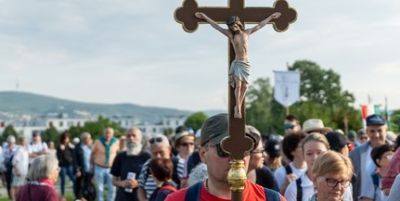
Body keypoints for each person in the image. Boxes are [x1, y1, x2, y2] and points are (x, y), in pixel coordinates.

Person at [165, 113, 285, 201]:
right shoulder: (179, 199)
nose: (237, 156)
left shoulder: (272, 199)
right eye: (226, 148)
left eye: (244, 147)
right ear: (203, 154)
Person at [194, 12, 281, 119]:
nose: (233, 28)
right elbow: (216, 26)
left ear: (238, 23)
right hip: (237, 63)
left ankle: (238, 105)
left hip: (246, 63)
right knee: (238, 86)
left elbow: (260, 25)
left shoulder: (247, 33)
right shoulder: (231, 35)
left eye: (234, 25)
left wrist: (271, 17)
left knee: (245, 86)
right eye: (231, 26)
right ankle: (238, 109)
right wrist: (205, 17)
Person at [349, 114, 387, 200]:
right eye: (372, 131)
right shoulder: (355, 154)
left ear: (386, 130)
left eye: (380, 130)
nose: (376, 135)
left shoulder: (395, 152)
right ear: (367, 132)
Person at [284, 133, 330, 201]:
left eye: (319, 152)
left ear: (328, 153)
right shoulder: (294, 189)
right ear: (303, 155)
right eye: (309, 154)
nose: (315, 158)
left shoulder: (340, 185)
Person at [111, 128, 151, 201]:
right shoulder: (120, 156)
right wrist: (122, 183)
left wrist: (138, 183)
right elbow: (114, 180)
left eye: (134, 136)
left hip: (141, 197)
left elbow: (152, 180)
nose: (131, 138)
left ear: (140, 138)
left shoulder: (147, 157)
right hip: (122, 197)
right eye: (128, 136)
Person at [137, 134, 181, 201]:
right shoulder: (147, 165)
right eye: (154, 153)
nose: (158, 156)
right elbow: (140, 187)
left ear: (169, 149)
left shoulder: (179, 163)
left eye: (161, 152)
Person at [91, 127, 120, 201]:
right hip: (99, 167)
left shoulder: (116, 142)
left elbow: (119, 154)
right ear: (104, 133)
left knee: (112, 188)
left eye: (109, 133)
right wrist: (91, 166)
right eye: (106, 133)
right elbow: (92, 153)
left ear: (112, 134)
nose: (108, 134)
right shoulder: (98, 141)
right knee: (100, 188)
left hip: (111, 168)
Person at [246, 126, 279, 191]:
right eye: (260, 151)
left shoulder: (265, 174)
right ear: (247, 154)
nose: (264, 155)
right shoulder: (229, 176)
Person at [74, 132, 94, 201]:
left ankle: (89, 198)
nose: (89, 140)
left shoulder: (92, 146)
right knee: (80, 185)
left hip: (90, 170)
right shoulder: (78, 147)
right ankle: (79, 198)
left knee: (89, 186)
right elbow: (75, 160)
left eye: (89, 139)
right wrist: (77, 170)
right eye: (87, 139)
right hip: (81, 169)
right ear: (83, 139)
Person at [56, 132, 76, 197]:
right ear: (63, 139)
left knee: (74, 179)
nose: (66, 140)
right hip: (63, 166)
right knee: (63, 180)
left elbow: (74, 155)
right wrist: (61, 150)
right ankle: (62, 195)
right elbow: (58, 157)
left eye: (67, 138)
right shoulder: (60, 146)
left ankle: (75, 193)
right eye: (65, 138)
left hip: (69, 165)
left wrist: (72, 148)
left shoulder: (70, 146)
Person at [11, 136, 29, 201]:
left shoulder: (25, 150)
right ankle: (14, 199)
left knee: (21, 186)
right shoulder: (19, 150)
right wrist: (17, 170)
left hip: (24, 171)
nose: (26, 142)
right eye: (25, 140)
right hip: (19, 172)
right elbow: (14, 161)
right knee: (15, 186)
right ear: (21, 142)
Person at [3, 135, 17, 200]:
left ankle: (15, 195)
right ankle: (10, 196)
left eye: (12, 142)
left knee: (14, 182)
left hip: (15, 167)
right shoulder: (5, 149)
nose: (11, 144)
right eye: (9, 142)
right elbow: (4, 157)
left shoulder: (17, 148)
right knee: (8, 182)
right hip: (7, 167)